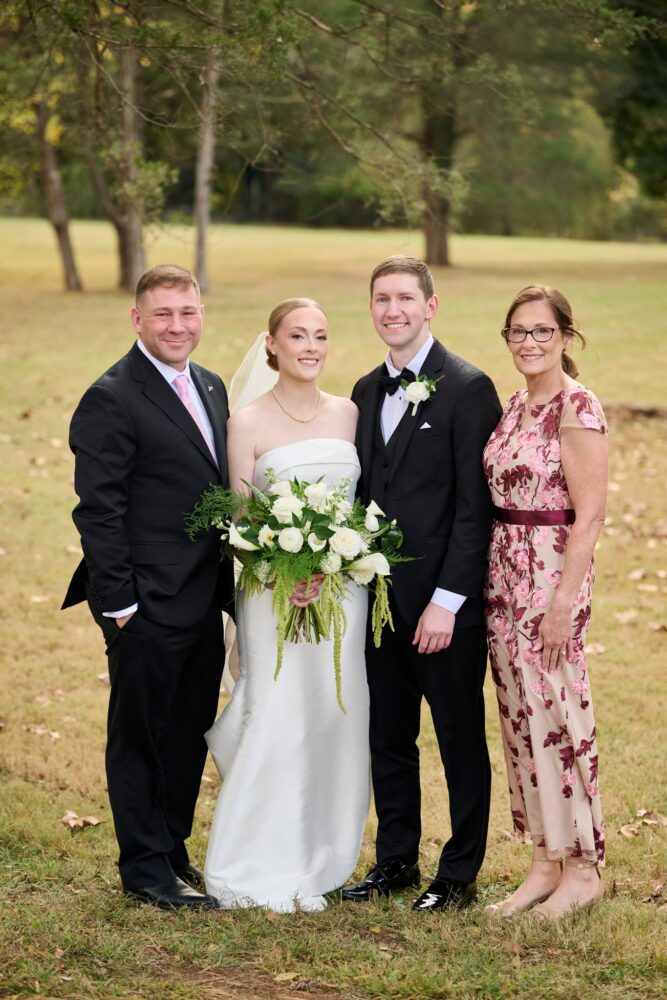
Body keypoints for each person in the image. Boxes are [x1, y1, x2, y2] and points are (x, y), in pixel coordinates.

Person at [62, 264, 234, 910]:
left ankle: (171, 846)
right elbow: (97, 511)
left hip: (201, 599)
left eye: (187, 312)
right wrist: (122, 607)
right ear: (137, 319)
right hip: (144, 605)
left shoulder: (211, 386)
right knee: (141, 736)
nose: (177, 326)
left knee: (188, 730)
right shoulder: (113, 396)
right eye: (162, 314)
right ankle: (144, 870)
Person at [343, 255, 502, 911]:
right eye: (381, 299)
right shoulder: (362, 390)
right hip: (377, 603)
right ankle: (395, 861)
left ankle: (458, 873)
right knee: (388, 737)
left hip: (443, 608)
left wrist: (445, 603)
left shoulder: (467, 387)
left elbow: (475, 509)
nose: (392, 311)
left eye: (405, 298)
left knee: (458, 737)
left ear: (430, 306)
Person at [203, 298, 371, 913]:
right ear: (270, 344)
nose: (311, 346)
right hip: (269, 594)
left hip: (342, 592)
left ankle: (324, 850)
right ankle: (253, 855)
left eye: (321, 336)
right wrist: (284, 571)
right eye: (297, 335)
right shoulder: (246, 421)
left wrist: (331, 562)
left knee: (333, 709)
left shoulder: (349, 414)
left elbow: (356, 509)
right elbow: (242, 522)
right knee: (277, 708)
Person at [483, 284, 607, 918]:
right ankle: (543, 861)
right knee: (520, 722)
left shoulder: (576, 407)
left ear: (565, 335)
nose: (528, 343)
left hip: (551, 584)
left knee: (560, 720)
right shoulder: (512, 406)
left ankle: (583, 868)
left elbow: (589, 518)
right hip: (502, 584)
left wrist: (563, 603)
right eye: (517, 332)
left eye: (540, 331)